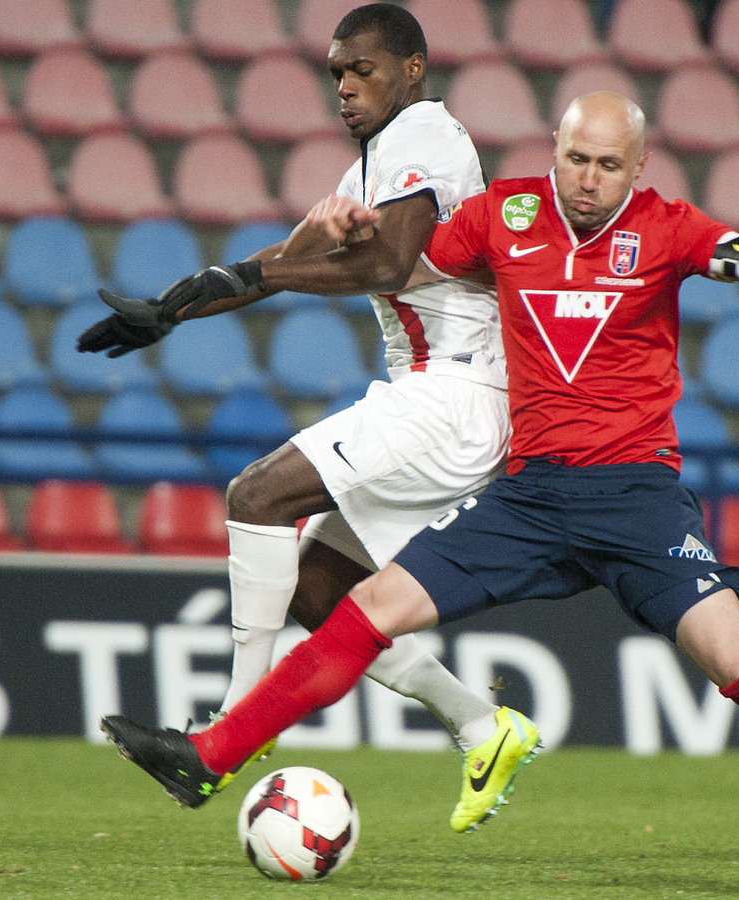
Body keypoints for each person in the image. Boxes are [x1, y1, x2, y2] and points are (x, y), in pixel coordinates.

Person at [102, 91, 739, 879]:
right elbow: (396, 269)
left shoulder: (670, 231)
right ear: (555, 147)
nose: (588, 180)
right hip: (530, 496)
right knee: (367, 610)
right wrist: (336, 236)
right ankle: (209, 759)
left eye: (608, 165)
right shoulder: (502, 216)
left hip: (636, 499)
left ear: (640, 166)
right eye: (576, 158)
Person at [78, 3, 538, 834]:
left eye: (363, 69)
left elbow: (385, 261)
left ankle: (224, 734)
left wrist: (277, 272)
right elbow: (282, 263)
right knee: (320, 588)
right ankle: (483, 725)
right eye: (336, 74)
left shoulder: (426, 135)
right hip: (437, 397)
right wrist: (172, 307)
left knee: (257, 496)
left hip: (456, 392)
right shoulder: (382, 163)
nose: (346, 87)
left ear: (412, 70)